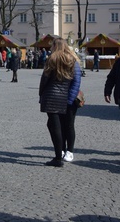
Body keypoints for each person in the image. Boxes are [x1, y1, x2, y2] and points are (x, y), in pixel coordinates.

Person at [39, 38, 82, 167]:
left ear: (55, 46)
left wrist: (41, 94)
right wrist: (70, 97)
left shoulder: (51, 59)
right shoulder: (73, 60)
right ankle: (64, 151)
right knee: (64, 126)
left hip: (51, 96)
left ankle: (59, 155)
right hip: (66, 96)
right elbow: (77, 81)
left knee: (55, 126)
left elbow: (44, 79)